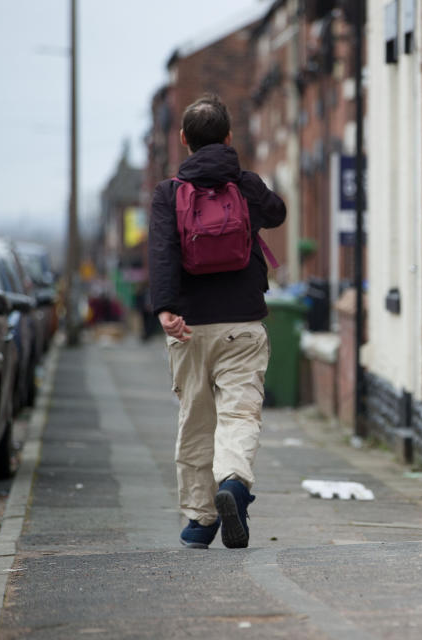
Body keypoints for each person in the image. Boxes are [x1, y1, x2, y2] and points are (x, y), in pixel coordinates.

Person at [149, 93, 286, 549]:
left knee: (196, 420)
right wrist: (247, 180)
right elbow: (278, 214)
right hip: (242, 321)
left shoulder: (169, 193)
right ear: (228, 137)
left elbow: (164, 251)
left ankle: (199, 519)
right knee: (239, 412)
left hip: (189, 325)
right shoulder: (245, 185)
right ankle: (233, 483)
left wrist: (165, 307)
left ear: (183, 139)